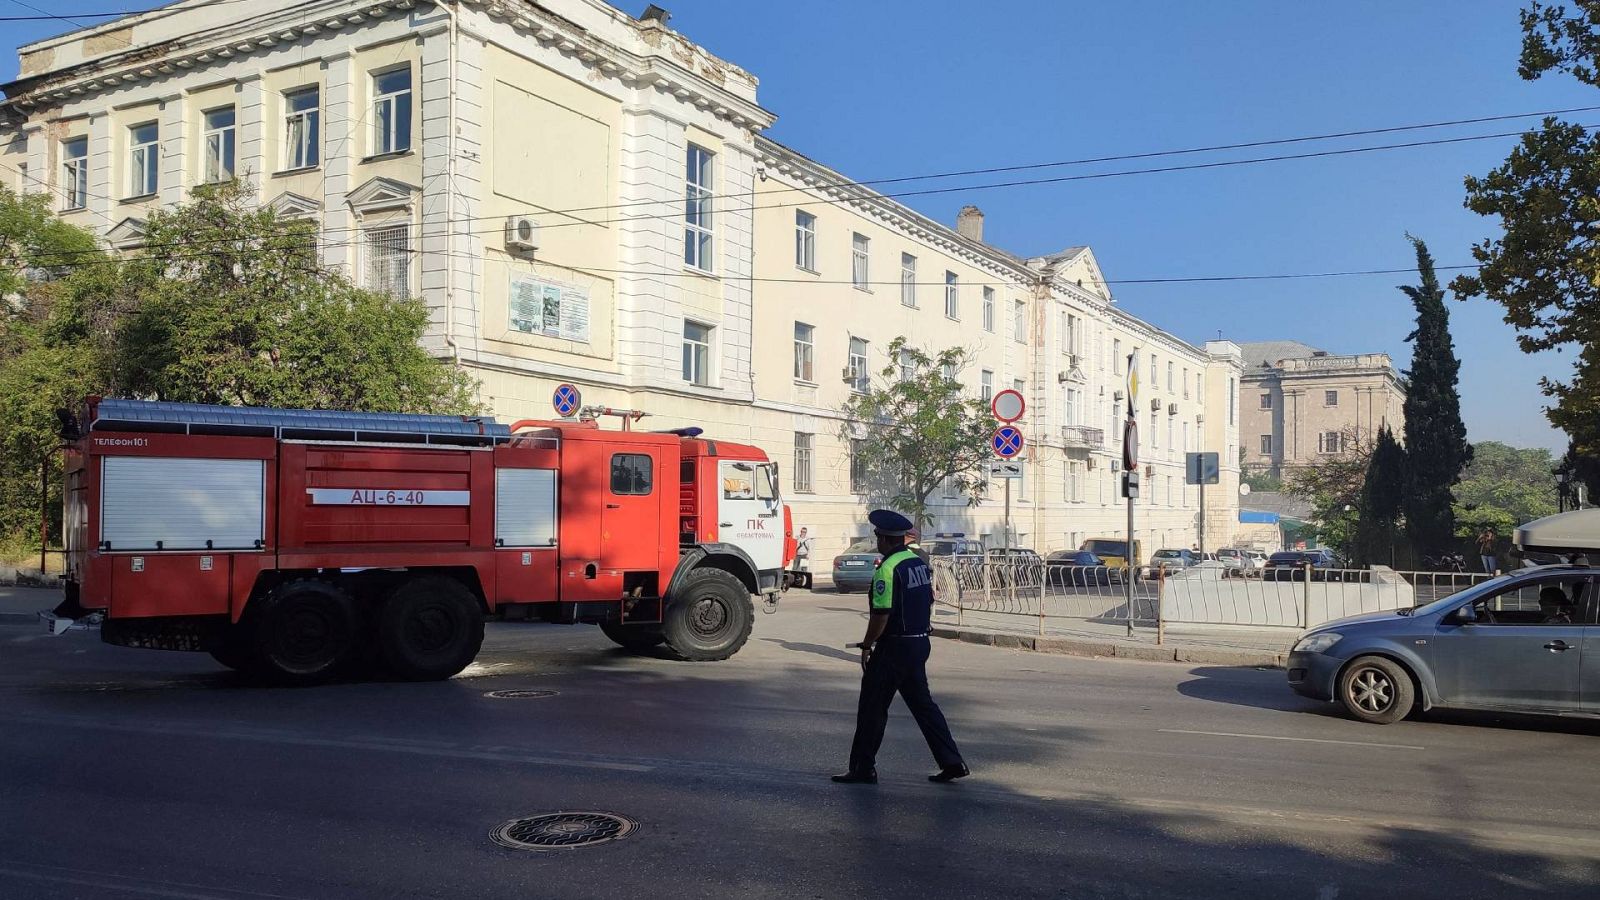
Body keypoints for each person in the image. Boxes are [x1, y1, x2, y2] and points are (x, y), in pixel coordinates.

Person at [833, 509, 968, 786]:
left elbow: (880, 614)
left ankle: (863, 768)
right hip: (919, 643)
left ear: (883, 539)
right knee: (924, 706)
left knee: (872, 708)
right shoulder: (916, 562)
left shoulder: (887, 568)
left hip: (894, 648)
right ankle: (952, 762)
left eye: (878, 538)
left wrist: (868, 645)